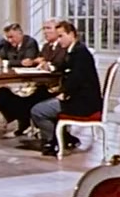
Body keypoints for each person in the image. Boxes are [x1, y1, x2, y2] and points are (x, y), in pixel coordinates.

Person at [31, 21, 99, 156]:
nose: (59, 39)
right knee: (42, 100)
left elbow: (76, 79)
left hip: (83, 103)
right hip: (79, 98)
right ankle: (63, 139)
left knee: (38, 111)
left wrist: (63, 92)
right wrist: (51, 67)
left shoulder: (80, 53)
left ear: (71, 34)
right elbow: (63, 67)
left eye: (61, 36)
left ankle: (52, 142)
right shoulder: (74, 51)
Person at [0, 23, 40, 137]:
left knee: (19, 95)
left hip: (28, 80)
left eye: (12, 37)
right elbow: (1, 56)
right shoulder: (7, 44)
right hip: (11, 79)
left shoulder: (30, 43)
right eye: (8, 37)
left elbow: (27, 62)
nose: (10, 40)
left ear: (20, 34)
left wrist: (7, 62)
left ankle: (23, 122)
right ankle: (17, 119)